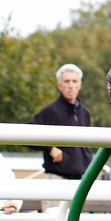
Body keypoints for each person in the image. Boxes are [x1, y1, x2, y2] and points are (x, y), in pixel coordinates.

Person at [27, 64, 94, 211]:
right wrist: (49, 148)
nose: (71, 86)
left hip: (80, 180)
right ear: (59, 85)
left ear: (80, 85)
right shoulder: (50, 111)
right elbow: (26, 133)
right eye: (67, 81)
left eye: (74, 81)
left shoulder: (84, 113)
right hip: (57, 178)